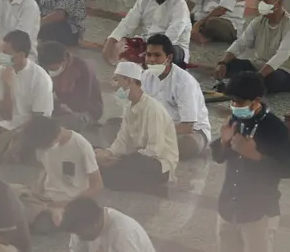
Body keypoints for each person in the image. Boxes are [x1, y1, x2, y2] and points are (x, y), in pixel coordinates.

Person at [211, 72, 290, 252]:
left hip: (259, 212)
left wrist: (255, 155)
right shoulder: (234, 120)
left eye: (239, 102)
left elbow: (287, 169)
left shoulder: (275, 129)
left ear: (256, 101)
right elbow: (218, 157)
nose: (234, 106)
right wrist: (224, 143)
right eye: (232, 101)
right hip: (228, 207)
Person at [96, 62, 179, 191]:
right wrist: (108, 153)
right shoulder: (129, 106)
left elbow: (154, 150)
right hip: (134, 158)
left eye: (117, 80)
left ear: (128, 81)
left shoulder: (153, 109)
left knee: (117, 173)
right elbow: (122, 141)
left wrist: (119, 161)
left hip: (158, 165)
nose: (114, 84)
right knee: (94, 152)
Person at [214, 0, 290, 94]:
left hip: (284, 70)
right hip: (258, 64)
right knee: (229, 65)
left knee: (271, 80)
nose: (262, 4)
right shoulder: (258, 22)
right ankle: (247, 84)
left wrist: (259, 76)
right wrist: (222, 63)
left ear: (279, 2)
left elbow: (281, 56)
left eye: (266, 0)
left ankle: (245, 85)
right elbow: (241, 43)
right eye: (260, 0)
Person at [19, 117, 102, 234]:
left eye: (46, 147)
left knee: (42, 225)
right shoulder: (41, 144)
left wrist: (67, 204)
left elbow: (97, 186)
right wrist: (38, 187)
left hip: (70, 202)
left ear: (57, 135)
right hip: (45, 198)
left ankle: (47, 212)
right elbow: (46, 168)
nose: (44, 150)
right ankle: (44, 211)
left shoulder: (81, 146)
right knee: (12, 194)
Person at [104, 0, 192, 66]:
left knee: (163, 54)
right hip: (147, 44)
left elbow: (174, 33)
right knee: (116, 43)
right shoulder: (143, 1)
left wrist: (150, 52)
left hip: (173, 46)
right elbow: (127, 24)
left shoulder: (179, 4)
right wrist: (110, 41)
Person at [142, 34, 211, 158]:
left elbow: (187, 126)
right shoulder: (145, 76)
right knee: (114, 127)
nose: (151, 59)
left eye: (157, 55)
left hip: (190, 132)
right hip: (158, 128)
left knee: (185, 145)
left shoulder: (184, 82)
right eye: (148, 55)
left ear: (168, 58)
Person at [0, 30, 54, 133]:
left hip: (32, 130)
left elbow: (38, 119)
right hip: (7, 126)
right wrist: (7, 86)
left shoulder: (41, 79)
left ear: (20, 55)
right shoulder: (0, 70)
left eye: (6, 53)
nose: (1, 55)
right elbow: (5, 116)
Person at [38, 42, 102, 131]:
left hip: (83, 110)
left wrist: (59, 106)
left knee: (51, 127)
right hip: (57, 106)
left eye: (53, 69)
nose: (50, 72)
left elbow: (81, 102)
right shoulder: (44, 65)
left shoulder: (82, 68)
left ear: (64, 61)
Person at [60, 198, 156, 252]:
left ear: (95, 224)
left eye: (82, 235)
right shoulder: (81, 226)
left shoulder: (123, 234)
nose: (80, 238)